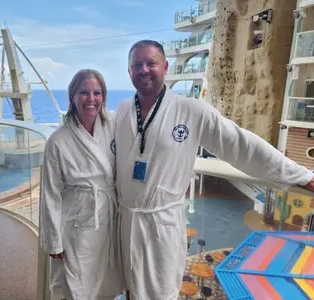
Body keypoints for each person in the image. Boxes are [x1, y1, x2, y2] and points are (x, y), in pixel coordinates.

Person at [114, 40, 314, 300]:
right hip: (126, 221)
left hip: (160, 227)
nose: (143, 70)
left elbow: (242, 146)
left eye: (150, 63)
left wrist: (303, 176)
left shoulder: (192, 111)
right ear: (129, 72)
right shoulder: (121, 112)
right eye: (136, 65)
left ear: (164, 67)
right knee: (129, 288)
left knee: (159, 293)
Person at [39, 69, 123, 300]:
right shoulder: (58, 141)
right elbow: (50, 195)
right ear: (73, 96)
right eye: (84, 92)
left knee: (104, 281)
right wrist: (53, 242)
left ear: (103, 97)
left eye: (97, 93)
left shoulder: (113, 126)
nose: (91, 98)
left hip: (107, 220)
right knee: (76, 281)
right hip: (76, 226)